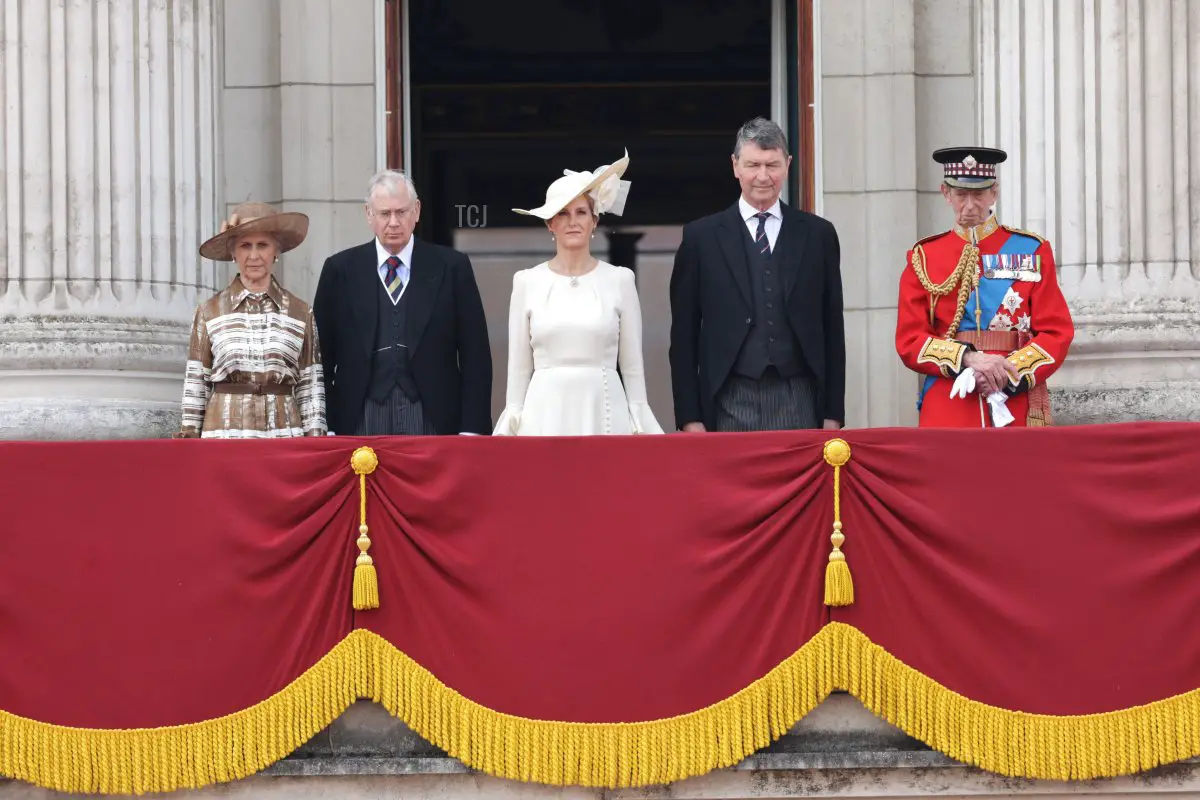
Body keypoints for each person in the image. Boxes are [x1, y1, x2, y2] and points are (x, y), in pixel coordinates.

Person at [669, 117, 845, 433]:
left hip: (800, 395)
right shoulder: (701, 238)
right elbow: (684, 336)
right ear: (735, 166)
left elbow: (833, 328)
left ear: (788, 165)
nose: (763, 176)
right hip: (727, 396)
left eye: (772, 165)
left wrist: (833, 411)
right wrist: (689, 416)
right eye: (753, 165)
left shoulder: (818, 235)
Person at [895, 146, 1074, 427]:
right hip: (951, 394)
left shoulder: (1031, 249)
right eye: (960, 195)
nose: (970, 205)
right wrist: (967, 359)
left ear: (994, 193)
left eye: (978, 194)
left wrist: (1009, 371)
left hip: (1013, 392)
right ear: (946, 194)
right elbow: (910, 339)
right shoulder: (924, 256)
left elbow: (1056, 330)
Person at [494, 149, 663, 436]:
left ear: (594, 221)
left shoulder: (620, 280)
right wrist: (513, 418)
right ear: (550, 223)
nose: (572, 221)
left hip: (605, 413)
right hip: (544, 417)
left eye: (581, 212)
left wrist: (640, 420)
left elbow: (633, 370)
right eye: (563, 213)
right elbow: (519, 371)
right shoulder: (526, 282)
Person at [313, 170, 492, 436]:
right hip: (359, 417)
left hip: (434, 417)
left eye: (402, 212)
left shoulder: (452, 267)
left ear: (416, 211)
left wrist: (472, 428)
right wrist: (323, 424)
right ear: (368, 214)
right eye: (385, 214)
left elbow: (475, 354)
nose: (394, 222)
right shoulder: (339, 270)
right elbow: (320, 358)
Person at [176, 202, 326, 438]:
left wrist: (315, 442)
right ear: (233, 253)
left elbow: (311, 388)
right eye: (246, 246)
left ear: (275, 251)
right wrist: (188, 443)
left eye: (262, 245)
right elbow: (196, 387)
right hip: (223, 438)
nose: (254, 255)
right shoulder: (209, 312)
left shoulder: (301, 312)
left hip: (285, 437)